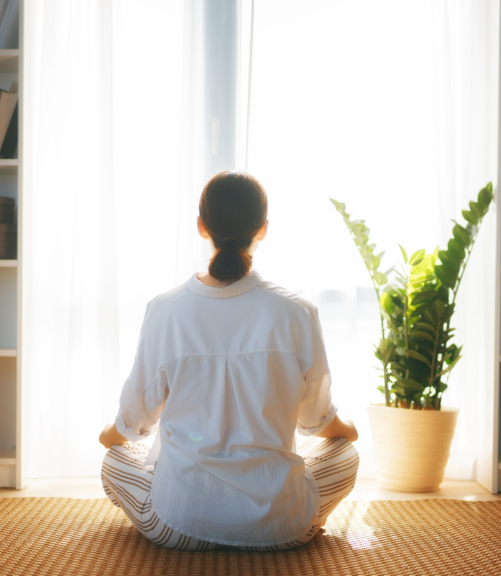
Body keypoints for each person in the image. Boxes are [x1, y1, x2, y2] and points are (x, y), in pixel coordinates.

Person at [99, 170, 359, 551]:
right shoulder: (298, 312)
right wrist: (347, 430)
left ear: (202, 227)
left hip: (177, 526)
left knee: (114, 462)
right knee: (346, 455)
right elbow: (316, 421)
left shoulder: (165, 310)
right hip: (281, 531)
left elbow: (135, 421)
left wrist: (109, 438)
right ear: (264, 229)